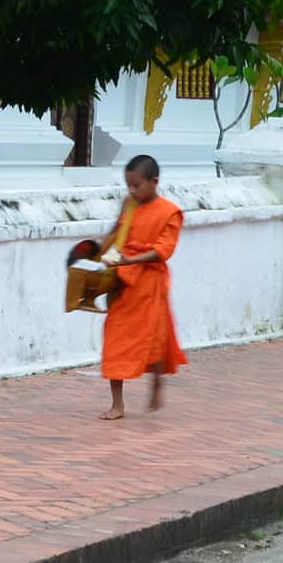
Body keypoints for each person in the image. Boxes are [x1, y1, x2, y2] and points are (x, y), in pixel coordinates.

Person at [98, 154, 186, 416]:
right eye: (129, 186)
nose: (132, 191)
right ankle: (117, 404)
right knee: (115, 337)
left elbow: (163, 251)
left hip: (150, 281)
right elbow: (118, 232)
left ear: (154, 182)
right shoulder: (129, 203)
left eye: (137, 185)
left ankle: (157, 382)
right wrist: (100, 252)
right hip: (122, 279)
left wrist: (131, 259)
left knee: (155, 339)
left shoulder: (170, 212)